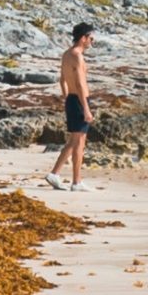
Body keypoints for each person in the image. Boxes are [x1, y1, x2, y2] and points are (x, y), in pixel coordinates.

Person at [50, 22, 95, 188]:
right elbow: (81, 84)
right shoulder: (77, 56)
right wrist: (86, 108)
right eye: (91, 38)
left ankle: (54, 174)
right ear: (83, 38)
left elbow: (63, 79)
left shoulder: (66, 54)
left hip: (72, 99)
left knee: (73, 141)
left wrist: (66, 97)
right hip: (79, 100)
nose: (92, 41)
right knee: (79, 143)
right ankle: (76, 182)